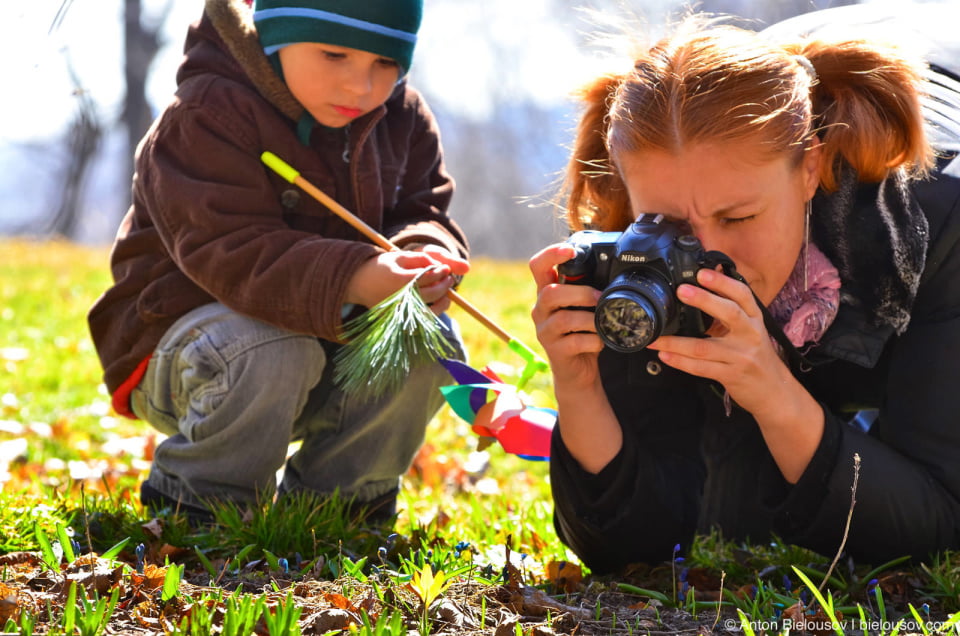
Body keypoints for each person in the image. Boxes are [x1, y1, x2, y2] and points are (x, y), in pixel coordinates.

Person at [530, 14, 960, 574]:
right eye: (669, 223)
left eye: (737, 217)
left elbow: (942, 524)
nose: (711, 257)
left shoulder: (930, 224)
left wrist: (774, 393)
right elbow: (634, 546)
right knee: (733, 516)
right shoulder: (630, 246)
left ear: (810, 169)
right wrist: (580, 387)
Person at [87, 0, 469, 524]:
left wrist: (427, 251)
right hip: (193, 350)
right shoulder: (209, 114)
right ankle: (201, 504)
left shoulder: (402, 118)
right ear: (276, 33)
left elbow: (421, 208)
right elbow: (229, 248)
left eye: (385, 63)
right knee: (272, 348)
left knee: (428, 339)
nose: (361, 86)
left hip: (332, 348)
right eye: (334, 54)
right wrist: (355, 276)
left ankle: (337, 505)